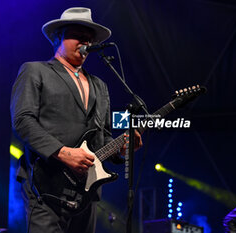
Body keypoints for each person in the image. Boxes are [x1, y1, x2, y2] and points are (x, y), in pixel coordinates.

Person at [10, 7, 142, 233]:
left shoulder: (100, 86)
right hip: (46, 186)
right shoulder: (35, 70)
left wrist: (121, 151)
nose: (85, 42)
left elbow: (103, 137)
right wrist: (63, 152)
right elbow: (23, 120)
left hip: (86, 193)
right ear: (58, 37)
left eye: (89, 38)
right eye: (78, 35)